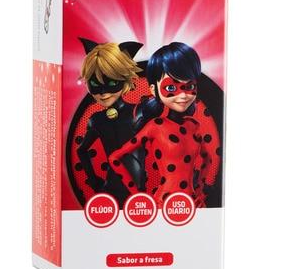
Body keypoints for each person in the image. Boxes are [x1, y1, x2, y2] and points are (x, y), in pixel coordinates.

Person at [109, 42, 216, 207]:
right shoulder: (155, 126)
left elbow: (207, 159)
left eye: (189, 86)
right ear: (153, 89)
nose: (183, 95)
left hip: (192, 204)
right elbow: (115, 157)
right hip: (163, 204)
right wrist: (137, 196)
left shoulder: (193, 125)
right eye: (171, 87)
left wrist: (200, 189)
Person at [76, 38, 144, 206]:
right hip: (110, 190)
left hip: (140, 193)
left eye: (112, 82)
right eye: (94, 83)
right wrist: (94, 181)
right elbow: (82, 150)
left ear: (125, 79)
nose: (103, 93)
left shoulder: (139, 112)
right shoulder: (97, 119)